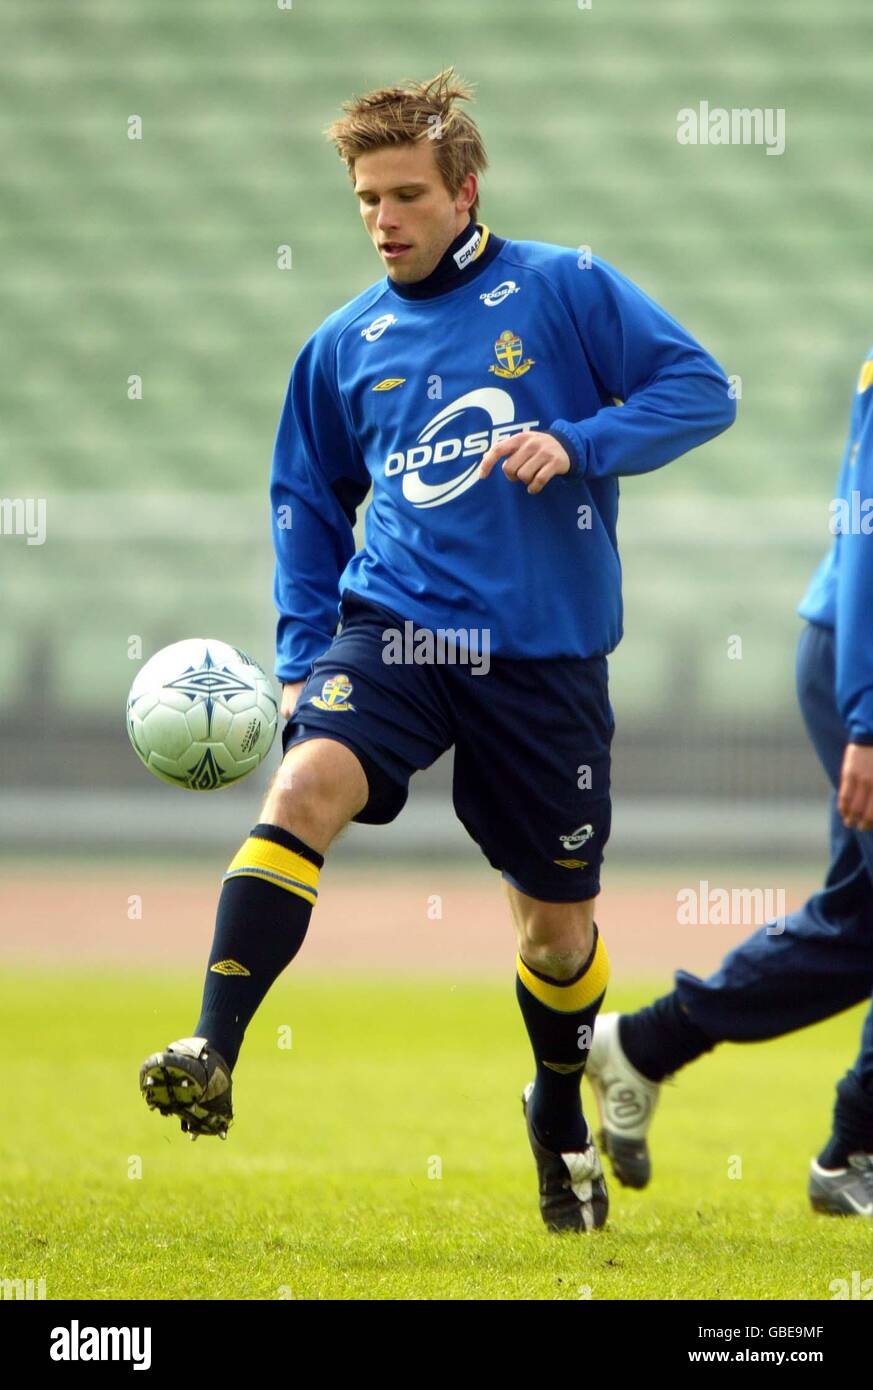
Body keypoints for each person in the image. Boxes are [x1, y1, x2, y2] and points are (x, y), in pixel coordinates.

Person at [139, 67, 735, 1233]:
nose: (384, 220)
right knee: (304, 782)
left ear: (466, 191)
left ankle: (558, 1107)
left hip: (545, 660)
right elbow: (305, 500)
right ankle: (211, 1046)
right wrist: (309, 652)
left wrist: (579, 440)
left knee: (556, 936)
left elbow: (701, 390)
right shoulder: (343, 344)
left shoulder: (562, 289)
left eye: (407, 194)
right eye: (367, 198)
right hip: (397, 632)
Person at [587, 346, 873, 1218]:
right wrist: (866, 712)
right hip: (861, 663)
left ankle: (648, 1048)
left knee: (863, 915)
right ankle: (851, 1142)